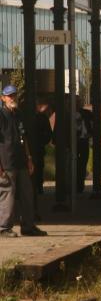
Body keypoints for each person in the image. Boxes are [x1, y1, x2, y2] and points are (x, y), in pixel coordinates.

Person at [0, 85, 47, 237]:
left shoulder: (18, 114)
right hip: (7, 161)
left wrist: (29, 158)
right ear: (3, 98)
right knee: (8, 194)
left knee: (27, 193)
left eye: (14, 95)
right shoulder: (1, 115)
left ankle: (28, 226)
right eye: (9, 96)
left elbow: (23, 137)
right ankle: (4, 227)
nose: (12, 98)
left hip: (21, 161)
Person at [32, 101, 53, 195]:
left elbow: (48, 133)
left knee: (39, 167)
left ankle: (39, 187)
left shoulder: (42, 117)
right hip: (34, 147)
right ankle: (36, 187)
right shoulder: (23, 116)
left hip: (39, 147)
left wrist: (41, 141)